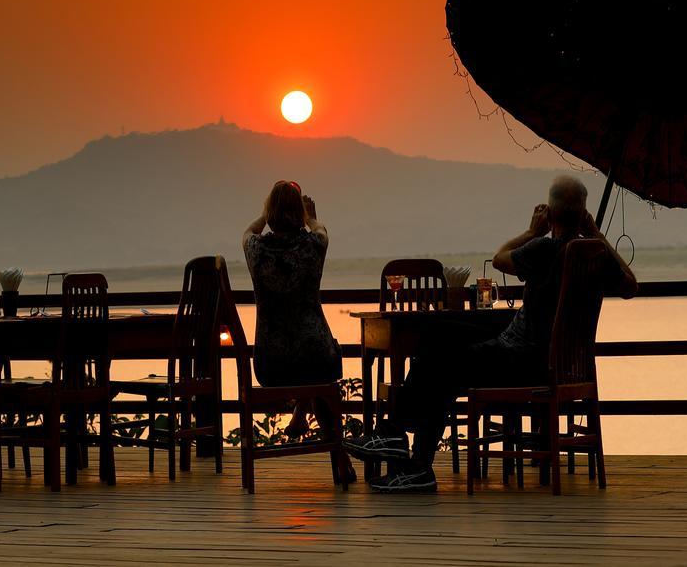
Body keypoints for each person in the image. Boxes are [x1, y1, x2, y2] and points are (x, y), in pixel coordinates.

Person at [346, 175, 638, 493]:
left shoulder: (544, 248)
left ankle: (406, 452)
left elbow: (499, 258)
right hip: (553, 365)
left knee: (439, 360)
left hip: (522, 361)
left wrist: (532, 230)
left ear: (551, 215)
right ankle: (402, 446)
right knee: (441, 339)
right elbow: (630, 284)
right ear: (583, 215)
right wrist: (597, 236)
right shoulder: (596, 258)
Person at [242, 180, 354, 480]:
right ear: (300, 214)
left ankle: (302, 414)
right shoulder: (312, 246)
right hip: (316, 359)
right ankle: (337, 455)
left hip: (271, 364)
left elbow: (247, 232)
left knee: (309, 367)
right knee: (318, 369)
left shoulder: (256, 249)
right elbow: (322, 232)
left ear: (270, 213)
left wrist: (266, 214)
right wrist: (311, 217)